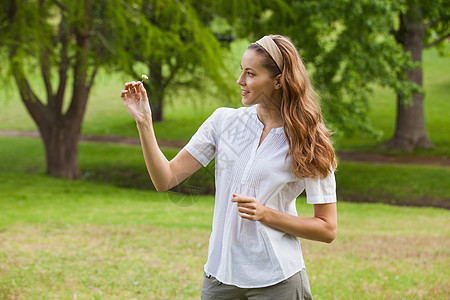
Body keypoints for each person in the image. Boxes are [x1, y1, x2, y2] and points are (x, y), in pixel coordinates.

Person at [120, 34, 337, 300]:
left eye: (250, 74)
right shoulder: (223, 122)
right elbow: (165, 178)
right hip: (220, 277)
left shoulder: (309, 139)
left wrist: (266, 214)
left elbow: (327, 228)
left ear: (278, 80)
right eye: (241, 71)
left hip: (276, 280)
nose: (240, 81)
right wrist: (144, 121)